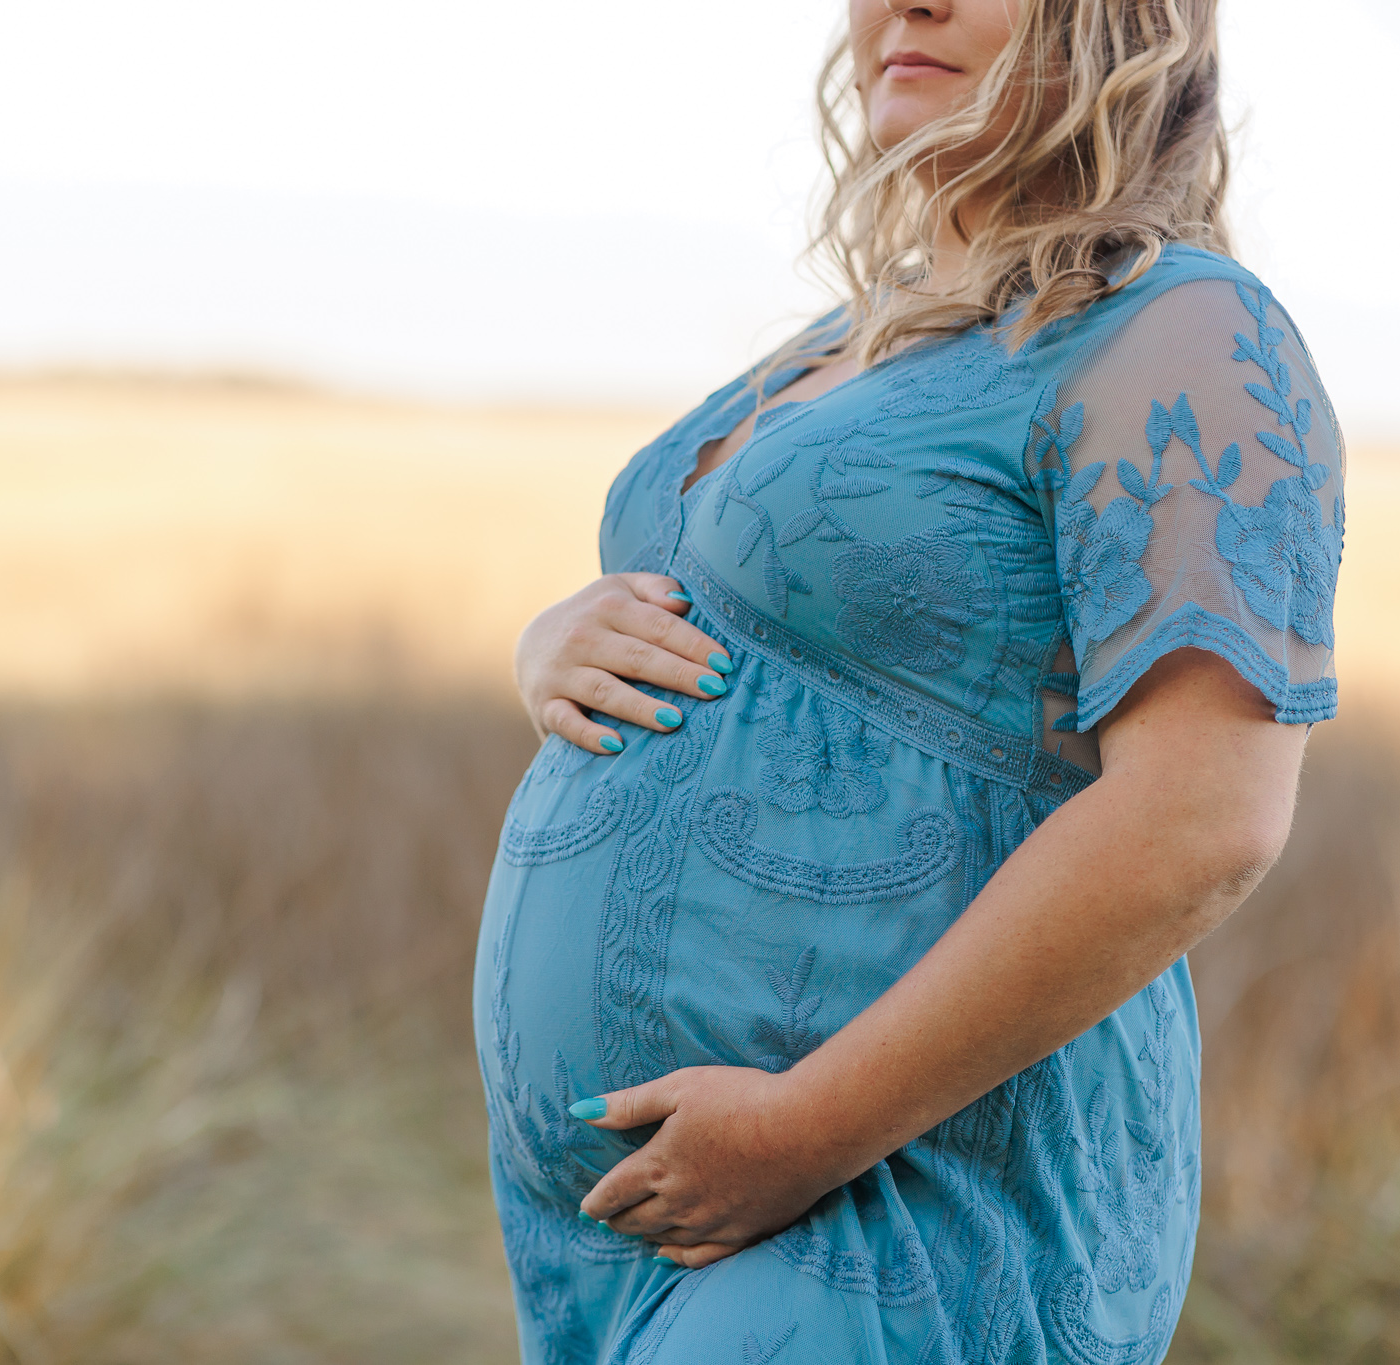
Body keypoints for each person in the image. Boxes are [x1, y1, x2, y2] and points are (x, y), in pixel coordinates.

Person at [474, 0, 1344, 1360]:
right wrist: (555, 641)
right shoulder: (848, 335)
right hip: (634, 1229)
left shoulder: (1178, 326)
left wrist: (804, 1128)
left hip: (896, 1202)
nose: (908, 4)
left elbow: (1206, 818)